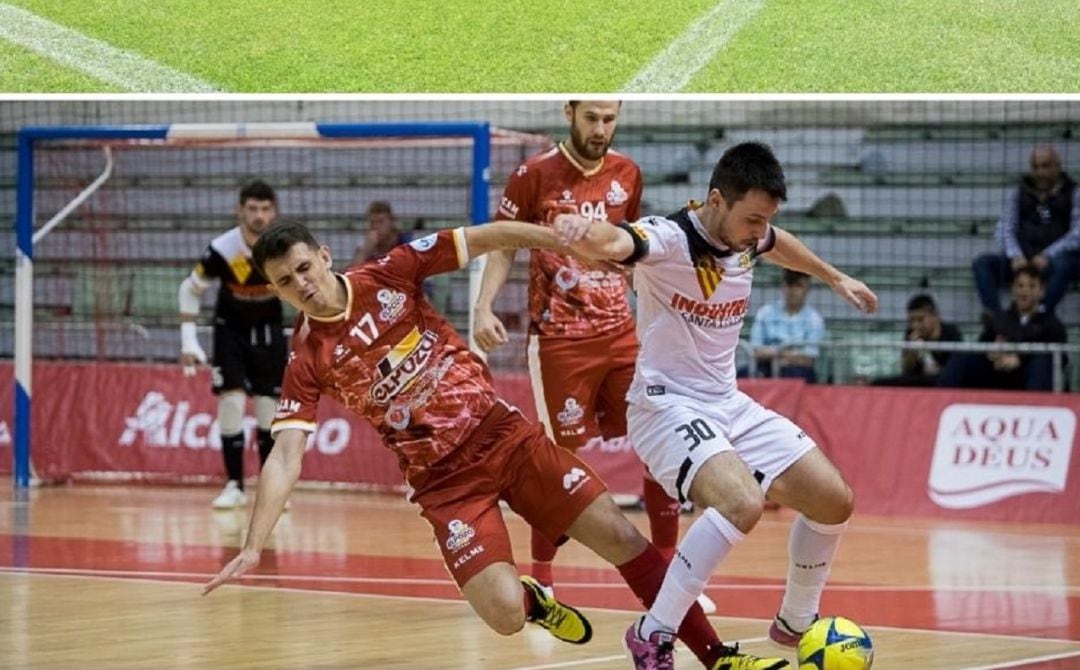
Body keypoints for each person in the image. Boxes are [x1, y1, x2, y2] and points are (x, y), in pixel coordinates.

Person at [204, 219, 757, 670]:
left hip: (502, 436)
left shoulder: (391, 273)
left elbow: (488, 236)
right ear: (274, 291)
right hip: (444, 484)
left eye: (304, 267)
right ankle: (533, 601)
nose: (301, 284)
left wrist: (567, 244)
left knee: (621, 539)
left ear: (324, 256)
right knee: (504, 617)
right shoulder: (306, 361)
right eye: (284, 281)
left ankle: (717, 657)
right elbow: (285, 456)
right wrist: (254, 545)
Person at [550, 141, 878, 670]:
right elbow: (618, 240)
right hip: (664, 406)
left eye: (765, 220)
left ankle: (796, 622)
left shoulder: (748, 237)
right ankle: (652, 633)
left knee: (833, 499)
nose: (758, 230)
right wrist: (581, 231)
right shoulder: (670, 236)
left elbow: (778, 243)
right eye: (751, 218)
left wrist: (833, 277)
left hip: (726, 403)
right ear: (715, 200)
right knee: (741, 503)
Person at [473, 99, 684, 601]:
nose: (600, 128)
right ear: (569, 112)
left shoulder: (627, 173)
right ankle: (542, 579)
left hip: (621, 336)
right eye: (591, 117)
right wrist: (484, 307)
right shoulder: (533, 174)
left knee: (658, 438)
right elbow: (502, 244)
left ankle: (673, 574)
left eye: (609, 118)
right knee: (558, 461)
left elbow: (633, 248)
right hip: (559, 342)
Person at [179, 180, 283, 510]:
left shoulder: (284, 248)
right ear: (239, 210)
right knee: (232, 404)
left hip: (269, 332)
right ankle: (234, 485)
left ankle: (271, 490)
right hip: (231, 332)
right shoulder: (223, 249)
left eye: (265, 209)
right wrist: (188, 339)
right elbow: (189, 288)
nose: (259, 216)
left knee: (269, 411)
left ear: (274, 212)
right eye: (252, 208)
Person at [972, 145, 1080, 317]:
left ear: (1058, 166)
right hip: (1024, 260)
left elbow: (1077, 234)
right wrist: (1015, 255)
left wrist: (1048, 255)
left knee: (1064, 264)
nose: (1040, 172)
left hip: (1053, 262)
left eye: (1045, 166)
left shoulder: (1074, 193)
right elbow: (1005, 227)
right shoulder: (1020, 192)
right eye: (1036, 167)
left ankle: (1038, 317)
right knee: (982, 264)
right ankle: (998, 320)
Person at [944, 266, 1067, 391]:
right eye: (1020, 285)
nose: (1024, 291)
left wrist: (1019, 360)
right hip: (997, 376)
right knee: (963, 355)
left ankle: (1035, 408)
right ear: (1013, 289)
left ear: (1042, 291)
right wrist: (991, 353)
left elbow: (1060, 360)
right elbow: (983, 345)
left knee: (1042, 363)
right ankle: (941, 402)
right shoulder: (1000, 319)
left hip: (1029, 379)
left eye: (1031, 286)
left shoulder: (1052, 325)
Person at [748, 270, 825, 382]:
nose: (792, 291)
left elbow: (808, 358)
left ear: (807, 289)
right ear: (783, 287)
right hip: (765, 366)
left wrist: (775, 354)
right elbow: (756, 350)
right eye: (789, 285)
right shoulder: (766, 312)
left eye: (798, 286)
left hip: (797, 370)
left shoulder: (814, 319)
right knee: (742, 374)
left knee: (799, 374)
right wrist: (784, 354)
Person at [872, 293, 962, 387]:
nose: (915, 325)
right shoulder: (910, 333)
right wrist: (912, 352)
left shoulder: (951, 333)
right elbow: (906, 369)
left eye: (920, 320)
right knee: (878, 383)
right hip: (918, 381)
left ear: (934, 316)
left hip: (945, 381)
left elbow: (958, 367)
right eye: (911, 320)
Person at [352, 200, 410, 264]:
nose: (375, 226)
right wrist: (365, 252)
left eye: (380, 222)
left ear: (391, 222)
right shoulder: (367, 246)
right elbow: (353, 272)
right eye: (372, 222)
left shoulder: (405, 243)